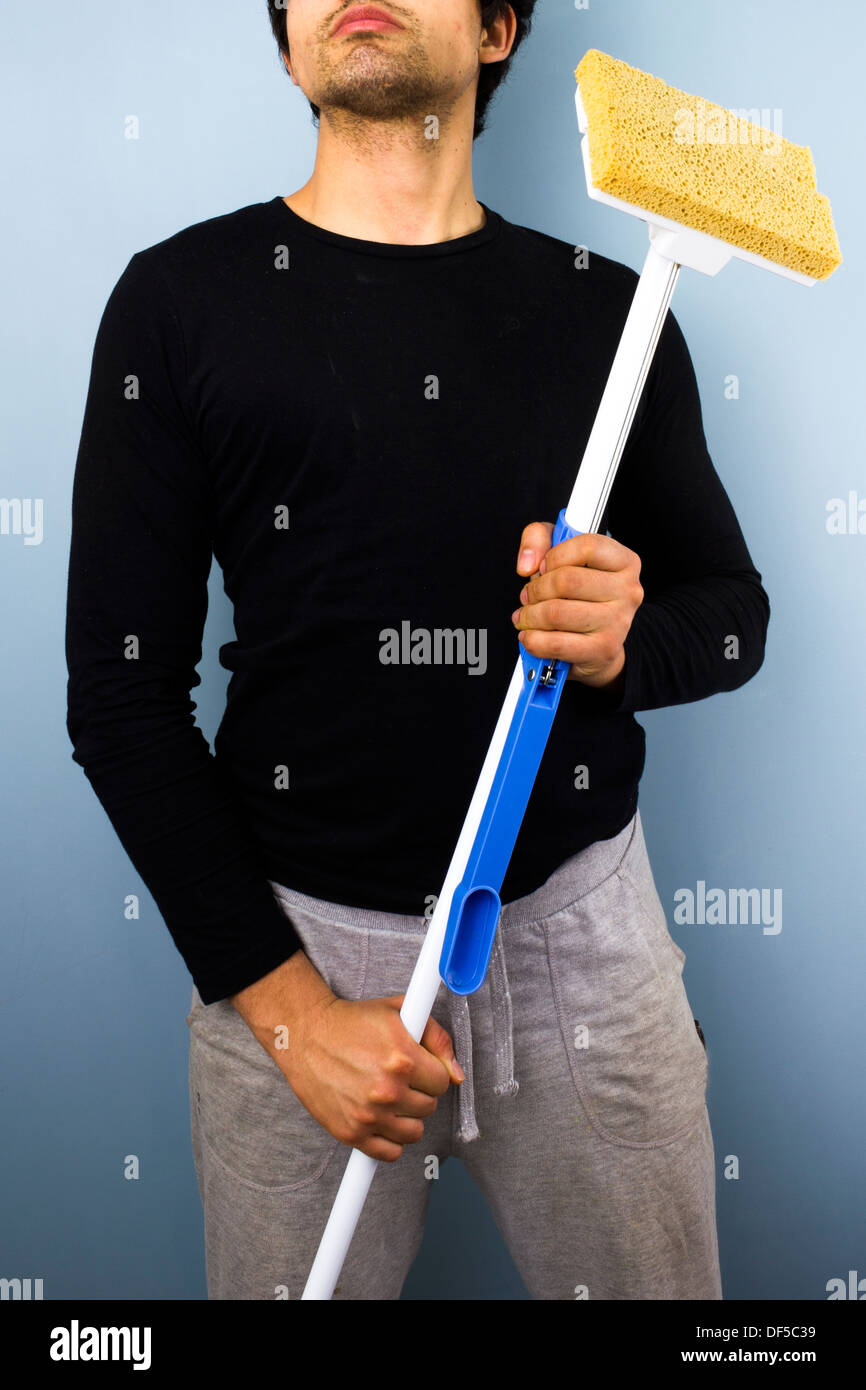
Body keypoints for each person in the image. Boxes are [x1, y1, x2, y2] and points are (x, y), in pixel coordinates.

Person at [65, 0, 769, 1300]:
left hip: (579, 939)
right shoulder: (178, 305)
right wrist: (288, 1010)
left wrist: (624, 638)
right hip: (295, 945)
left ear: (498, 29)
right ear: (286, 45)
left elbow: (733, 613)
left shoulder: (614, 319)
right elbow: (118, 698)